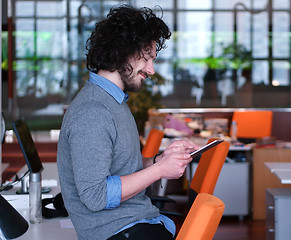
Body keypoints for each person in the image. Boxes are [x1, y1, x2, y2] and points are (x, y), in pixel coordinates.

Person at [57, 5, 199, 240]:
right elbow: (97, 196)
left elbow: (120, 166)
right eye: (147, 58)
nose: (151, 70)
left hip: (134, 224)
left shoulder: (113, 102)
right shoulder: (93, 111)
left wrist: (157, 161)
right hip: (117, 232)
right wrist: (159, 170)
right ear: (122, 52)